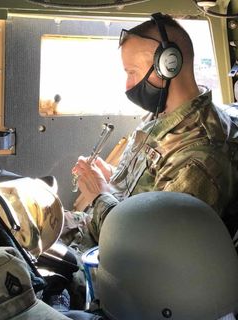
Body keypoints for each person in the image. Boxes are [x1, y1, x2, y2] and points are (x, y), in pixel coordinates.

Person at [66, 12, 238, 247]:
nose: (128, 85)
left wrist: (99, 195)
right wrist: (111, 176)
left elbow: (148, 248)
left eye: (132, 72)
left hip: (118, 258)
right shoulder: (163, 114)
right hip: (96, 230)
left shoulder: (200, 156)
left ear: (168, 65)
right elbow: (145, 188)